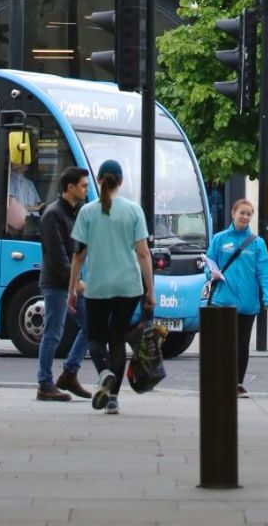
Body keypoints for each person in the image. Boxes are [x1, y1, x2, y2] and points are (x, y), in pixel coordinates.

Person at [67, 160, 155, 415]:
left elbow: (79, 256)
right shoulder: (133, 211)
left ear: (98, 180)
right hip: (129, 286)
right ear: (121, 181)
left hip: (97, 286)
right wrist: (150, 290)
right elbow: (143, 253)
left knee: (96, 339)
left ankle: (104, 372)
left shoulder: (87, 212)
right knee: (117, 338)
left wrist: (72, 289)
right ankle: (113, 399)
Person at [205, 198, 268, 397]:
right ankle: (221, 380)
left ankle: (237, 382)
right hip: (223, 301)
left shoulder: (257, 243)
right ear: (233, 213)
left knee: (242, 345)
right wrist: (211, 274)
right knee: (223, 344)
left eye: (248, 214)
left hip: (247, 303)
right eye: (241, 213)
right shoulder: (219, 239)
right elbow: (208, 263)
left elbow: (264, 271)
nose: (245, 217)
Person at [34, 166, 92, 401]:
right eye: (83, 185)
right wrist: (75, 282)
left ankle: (69, 372)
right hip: (57, 284)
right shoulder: (53, 214)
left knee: (90, 325)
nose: (86, 189)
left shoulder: (73, 212)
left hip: (68, 283)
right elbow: (58, 256)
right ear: (70, 187)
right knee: (53, 333)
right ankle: (45, 383)